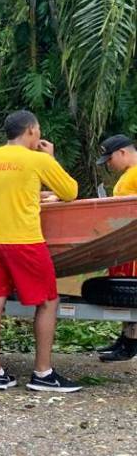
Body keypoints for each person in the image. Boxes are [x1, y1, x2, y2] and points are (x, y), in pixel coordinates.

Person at [0, 110, 79, 391]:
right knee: (47, 301)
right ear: (31, 131)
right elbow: (71, 191)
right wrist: (51, 159)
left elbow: (7, 190)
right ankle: (43, 374)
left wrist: (36, 195)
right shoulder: (37, 160)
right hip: (25, 241)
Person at [95, 134, 137, 361]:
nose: (109, 164)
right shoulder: (129, 175)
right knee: (126, 292)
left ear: (122, 152)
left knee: (131, 291)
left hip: (133, 243)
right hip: (125, 242)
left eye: (110, 159)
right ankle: (126, 339)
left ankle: (130, 345)